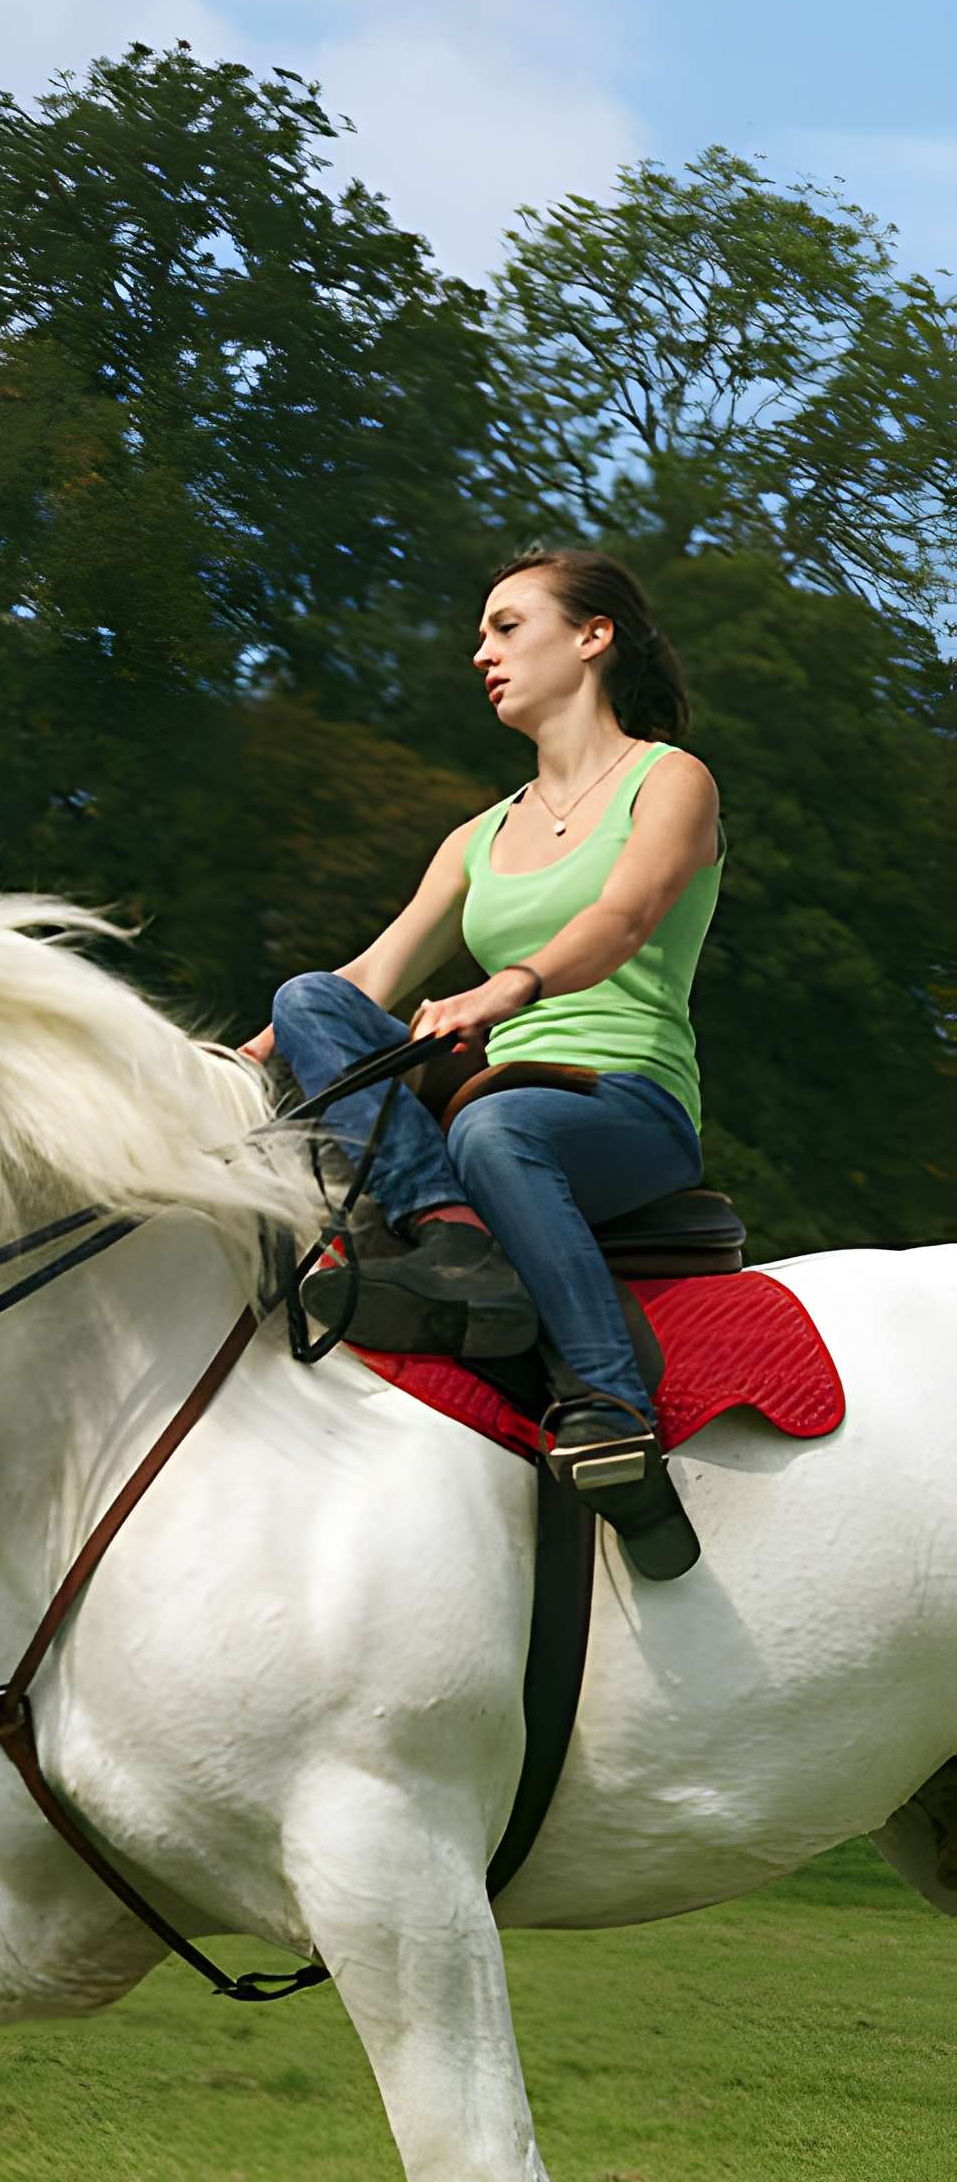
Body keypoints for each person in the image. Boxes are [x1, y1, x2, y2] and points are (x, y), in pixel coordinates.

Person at [238, 546, 724, 1578]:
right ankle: (455, 1234)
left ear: (592, 638)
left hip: (623, 1102)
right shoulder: (479, 835)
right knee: (307, 997)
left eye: (507, 627)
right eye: (481, 634)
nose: (481, 653)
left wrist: (506, 988)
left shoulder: (669, 779)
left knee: (498, 1128)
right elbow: (367, 975)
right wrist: (239, 1060)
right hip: (480, 1116)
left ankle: (611, 1409)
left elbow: (627, 916)